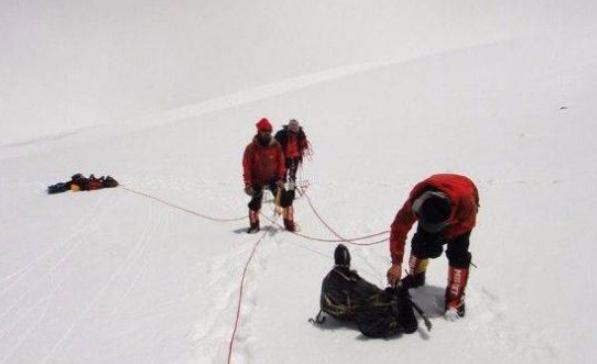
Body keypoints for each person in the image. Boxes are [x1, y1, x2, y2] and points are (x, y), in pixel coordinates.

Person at [386, 174, 479, 321]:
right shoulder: (416, 201)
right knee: (420, 245)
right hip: (441, 200)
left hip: (462, 205)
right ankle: (415, 277)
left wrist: (442, 238)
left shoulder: (465, 203)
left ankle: (455, 300)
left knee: (458, 254)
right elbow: (399, 227)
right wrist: (396, 262)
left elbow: (467, 224)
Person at [242, 118, 294, 233]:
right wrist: (248, 184)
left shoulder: (276, 146)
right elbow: (247, 168)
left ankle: (289, 222)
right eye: (263, 131)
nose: (266, 134)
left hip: (274, 179)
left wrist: (280, 178)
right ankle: (254, 225)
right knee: (254, 204)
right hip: (257, 180)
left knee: (286, 200)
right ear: (258, 131)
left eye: (268, 132)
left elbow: (281, 164)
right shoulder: (250, 149)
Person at [274, 119, 309, 184]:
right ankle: (282, 190)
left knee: (292, 177)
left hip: (295, 158)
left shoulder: (301, 134)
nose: (294, 133)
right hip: (283, 158)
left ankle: (291, 191)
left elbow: (304, 145)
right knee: (282, 176)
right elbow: (274, 144)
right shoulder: (281, 134)